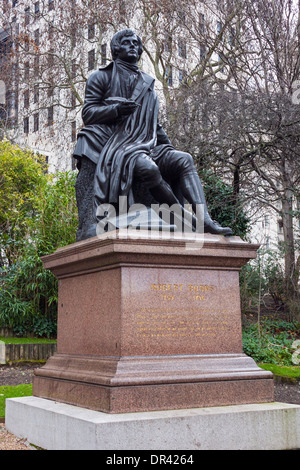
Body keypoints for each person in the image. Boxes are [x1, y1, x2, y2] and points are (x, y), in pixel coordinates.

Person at [73, 29, 232, 240]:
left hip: (146, 143)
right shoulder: (101, 77)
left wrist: (168, 149)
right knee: (149, 169)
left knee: (184, 160)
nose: (133, 46)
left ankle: (205, 220)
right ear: (116, 49)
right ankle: (183, 219)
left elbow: (154, 125)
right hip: (117, 145)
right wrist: (116, 111)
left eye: (136, 43)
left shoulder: (147, 84)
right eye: (127, 42)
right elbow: (88, 113)